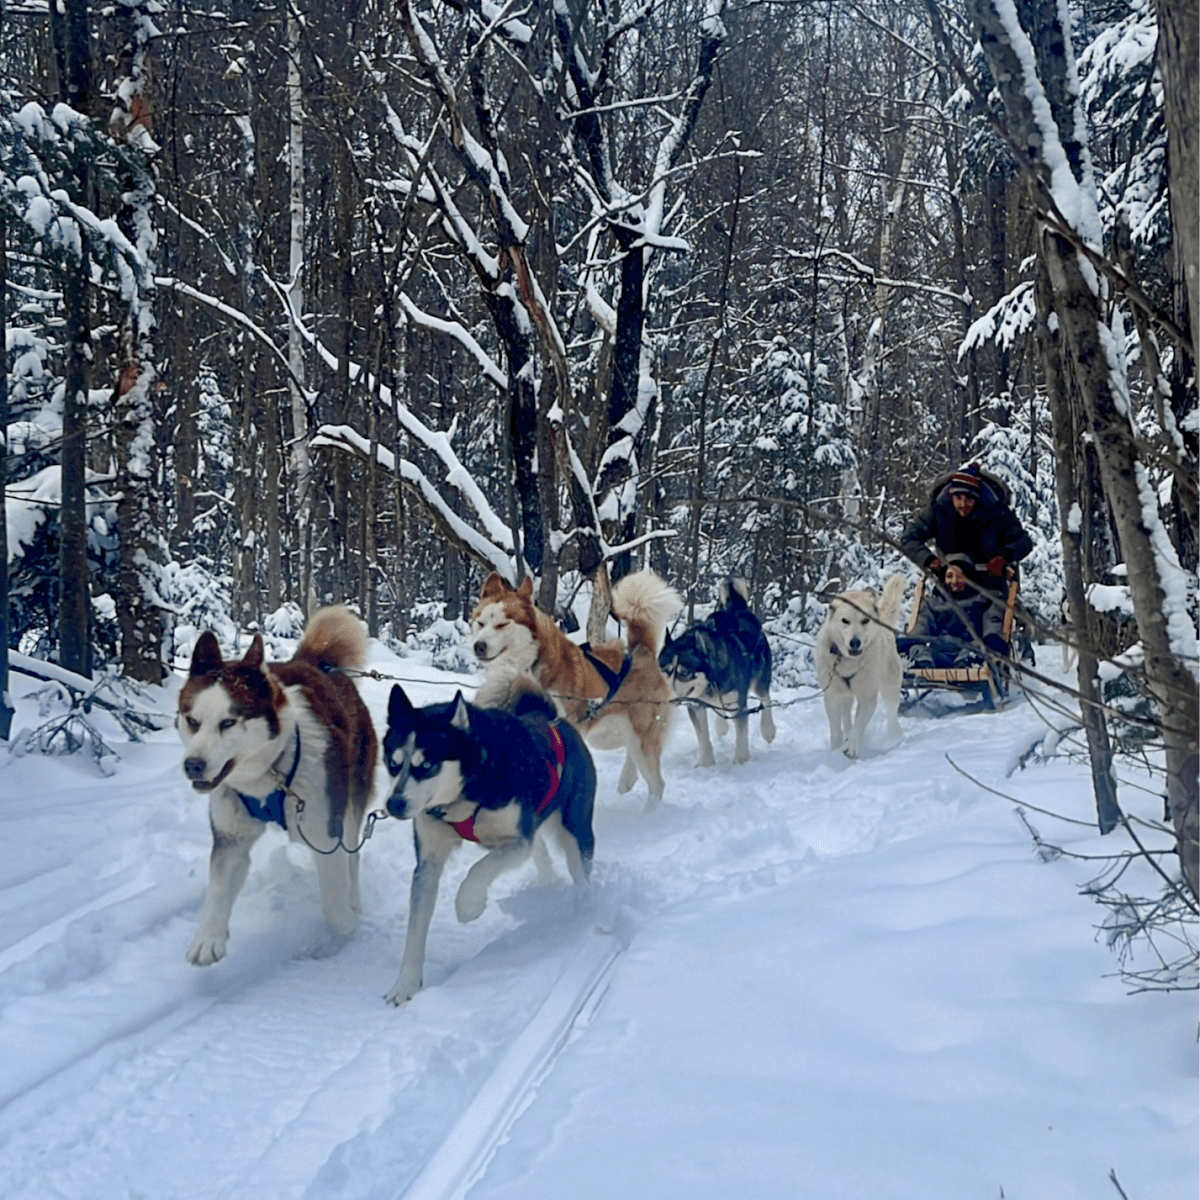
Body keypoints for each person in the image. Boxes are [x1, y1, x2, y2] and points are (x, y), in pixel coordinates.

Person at [899, 462, 1033, 596]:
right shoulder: (938, 511)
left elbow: (1024, 542)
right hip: (950, 584)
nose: (962, 504)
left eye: (969, 499)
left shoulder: (997, 513)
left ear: (977, 498)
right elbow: (909, 538)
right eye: (958, 498)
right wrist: (929, 560)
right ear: (951, 496)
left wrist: (1004, 556)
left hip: (990, 586)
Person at [898, 554, 1007, 668]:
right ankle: (924, 667)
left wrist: (992, 639)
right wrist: (910, 641)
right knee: (917, 649)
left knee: (979, 649)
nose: (954, 581)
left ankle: (965, 667)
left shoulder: (983, 601)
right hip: (939, 654)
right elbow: (922, 625)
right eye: (949, 576)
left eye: (960, 576)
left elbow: (992, 621)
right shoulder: (933, 603)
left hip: (968, 649)